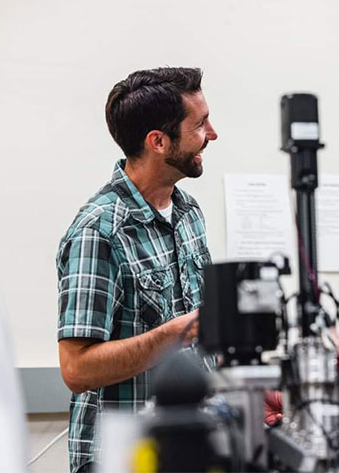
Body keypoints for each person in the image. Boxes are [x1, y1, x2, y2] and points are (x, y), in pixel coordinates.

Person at [56, 67, 218, 472]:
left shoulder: (188, 213)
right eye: (199, 124)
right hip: (122, 459)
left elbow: (202, 336)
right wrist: (175, 334)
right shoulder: (99, 231)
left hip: (185, 451)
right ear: (158, 142)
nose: (212, 134)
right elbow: (77, 369)